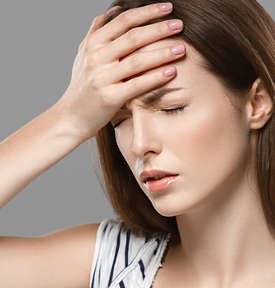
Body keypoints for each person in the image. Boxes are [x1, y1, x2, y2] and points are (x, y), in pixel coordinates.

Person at [0, 0, 274, 287]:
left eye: (172, 107)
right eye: (119, 121)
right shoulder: (108, 265)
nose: (140, 144)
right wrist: (68, 119)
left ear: (256, 103)